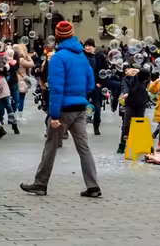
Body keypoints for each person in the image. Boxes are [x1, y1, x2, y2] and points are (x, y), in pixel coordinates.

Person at [20, 19, 101, 197]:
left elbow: (56, 89)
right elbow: (90, 84)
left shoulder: (58, 58)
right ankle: (93, 186)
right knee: (84, 148)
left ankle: (40, 183)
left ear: (57, 37)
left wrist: (55, 115)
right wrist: (80, 95)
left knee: (51, 145)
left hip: (64, 109)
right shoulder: (82, 56)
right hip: (80, 107)